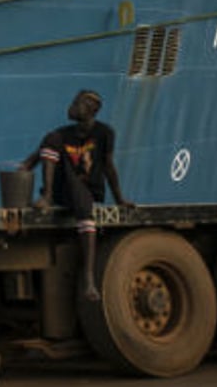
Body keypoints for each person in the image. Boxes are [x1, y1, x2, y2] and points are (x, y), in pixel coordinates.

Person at [19, 89, 133, 302]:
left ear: (92, 110)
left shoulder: (104, 133)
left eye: (77, 103)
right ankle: (49, 195)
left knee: (80, 196)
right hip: (63, 191)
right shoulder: (60, 135)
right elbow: (33, 160)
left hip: (87, 190)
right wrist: (20, 171)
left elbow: (109, 166)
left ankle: (89, 278)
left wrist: (119, 199)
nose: (71, 107)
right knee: (52, 141)